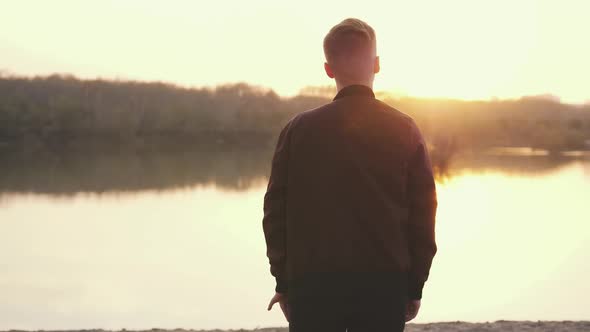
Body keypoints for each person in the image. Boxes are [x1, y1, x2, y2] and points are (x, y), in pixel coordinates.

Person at [263, 18, 437, 332]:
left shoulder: (297, 130)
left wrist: (284, 281)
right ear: (378, 64)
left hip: (312, 288)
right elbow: (423, 217)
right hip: (383, 288)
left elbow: (275, 215)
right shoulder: (404, 129)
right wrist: (414, 286)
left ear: (328, 69)